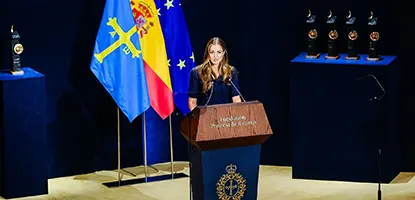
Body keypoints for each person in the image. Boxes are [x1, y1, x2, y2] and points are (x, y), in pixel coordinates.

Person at [188, 37, 242, 111]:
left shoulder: (231, 72)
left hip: (226, 118)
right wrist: (198, 119)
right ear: (208, 53)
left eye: (219, 52)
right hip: (205, 118)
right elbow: (192, 101)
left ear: (223, 53)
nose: (215, 56)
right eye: (212, 52)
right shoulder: (197, 72)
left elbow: (236, 99)